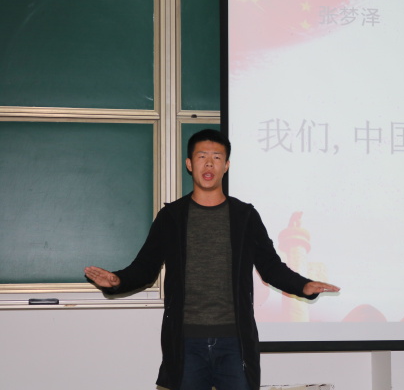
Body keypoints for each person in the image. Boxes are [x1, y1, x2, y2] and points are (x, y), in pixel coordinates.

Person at [84, 129, 339, 390]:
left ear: (226, 165)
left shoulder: (245, 216)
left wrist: (303, 285)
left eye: (217, 157)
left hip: (235, 343)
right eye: (202, 156)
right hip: (185, 342)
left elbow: (270, 266)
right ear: (189, 164)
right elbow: (145, 268)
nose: (209, 164)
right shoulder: (171, 217)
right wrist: (118, 280)